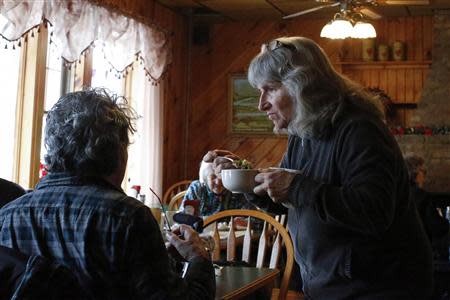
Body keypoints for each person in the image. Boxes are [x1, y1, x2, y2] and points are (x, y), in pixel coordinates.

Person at [212, 37, 433, 299]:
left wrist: (296, 187)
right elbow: (290, 200)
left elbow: (374, 211)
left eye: (270, 89)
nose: (261, 104)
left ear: (301, 85)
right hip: (331, 286)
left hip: (377, 289)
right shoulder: (302, 131)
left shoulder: (359, 129)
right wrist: (247, 182)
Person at [0, 89, 215, 300]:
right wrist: (198, 256)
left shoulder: (6, 217)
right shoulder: (129, 217)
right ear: (118, 152)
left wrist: (157, 260)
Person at [182, 151, 254, 217]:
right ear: (205, 178)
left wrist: (243, 221)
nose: (218, 182)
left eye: (222, 177)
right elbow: (184, 218)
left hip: (231, 230)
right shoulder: (197, 188)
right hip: (202, 230)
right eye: (213, 177)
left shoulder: (236, 188)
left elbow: (256, 218)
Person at [404, 155, 449, 242]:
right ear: (415, 174)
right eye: (423, 171)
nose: (425, 175)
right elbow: (439, 228)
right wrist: (441, 216)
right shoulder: (423, 197)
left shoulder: (397, 193)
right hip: (419, 248)